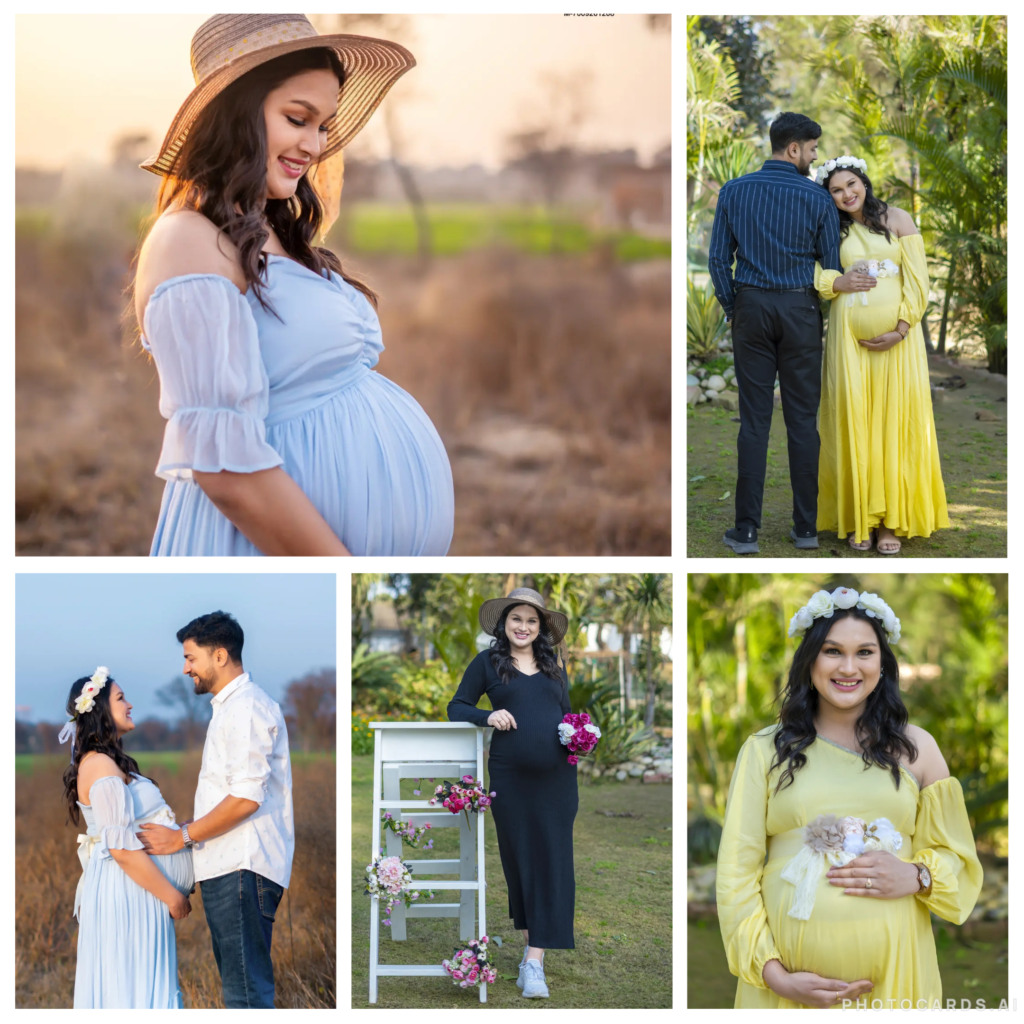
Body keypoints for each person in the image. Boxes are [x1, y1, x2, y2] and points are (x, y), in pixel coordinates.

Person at [132, 13, 454, 556]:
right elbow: (226, 470)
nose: (314, 144)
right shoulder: (187, 239)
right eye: (297, 118)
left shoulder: (273, 232)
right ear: (234, 113)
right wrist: (340, 574)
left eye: (323, 125)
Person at [716, 588, 982, 1008]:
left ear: (882, 663)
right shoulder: (764, 750)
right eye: (832, 651)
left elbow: (959, 858)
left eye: (864, 652)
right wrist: (775, 976)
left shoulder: (920, 749)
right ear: (810, 661)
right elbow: (736, 875)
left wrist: (917, 876)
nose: (848, 667)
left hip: (897, 980)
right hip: (786, 991)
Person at [138, 611, 294, 1009]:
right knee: (241, 989)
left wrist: (182, 837)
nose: (185, 667)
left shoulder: (245, 708)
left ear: (220, 656)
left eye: (191, 657)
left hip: (241, 866)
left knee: (245, 995)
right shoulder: (230, 708)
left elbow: (246, 798)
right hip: (231, 865)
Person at [708, 112, 842, 556]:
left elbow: (716, 262)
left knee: (755, 421)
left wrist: (734, 306)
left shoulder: (734, 191)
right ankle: (805, 529)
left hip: (750, 308)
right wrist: (810, 306)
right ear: (793, 149)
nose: (814, 158)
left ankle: (745, 532)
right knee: (803, 420)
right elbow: (831, 268)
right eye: (812, 150)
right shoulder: (817, 198)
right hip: (800, 308)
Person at [446, 588, 577, 1000]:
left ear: (542, 629)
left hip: (557, 781)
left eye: (532, 621)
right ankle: (528, 957)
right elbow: (456, 706)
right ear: (504, 623)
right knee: (521, 862)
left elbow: (568, 717)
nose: (523, 626)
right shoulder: (488, 663)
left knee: (552, 862)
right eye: (516, 618)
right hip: (511, 780)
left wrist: (581, 736)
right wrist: (489, 715)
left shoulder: (554, 666)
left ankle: (534, 963)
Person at [814, 156, 949, 553]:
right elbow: (809, 270)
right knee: (855, 423)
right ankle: (861, 519)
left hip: (898, 346)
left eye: (851, 184)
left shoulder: (898, 219)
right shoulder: (830, 229)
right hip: (848, 343)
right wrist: (835, 281)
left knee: (894, 424)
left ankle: (890, 523)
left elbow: (918, 281)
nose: (846, 194)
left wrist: (902, 329)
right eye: (836, 190)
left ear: (864, 182)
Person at [60, 667, 194, 1008]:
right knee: (132, 991)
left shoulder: (108, 762)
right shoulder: (101, 766)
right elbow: (120, 848)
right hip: (129, 891)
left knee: (138, 988)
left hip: (138, 891)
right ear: (101, 708)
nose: (130, 704)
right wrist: (174, 898)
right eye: (121, 698)